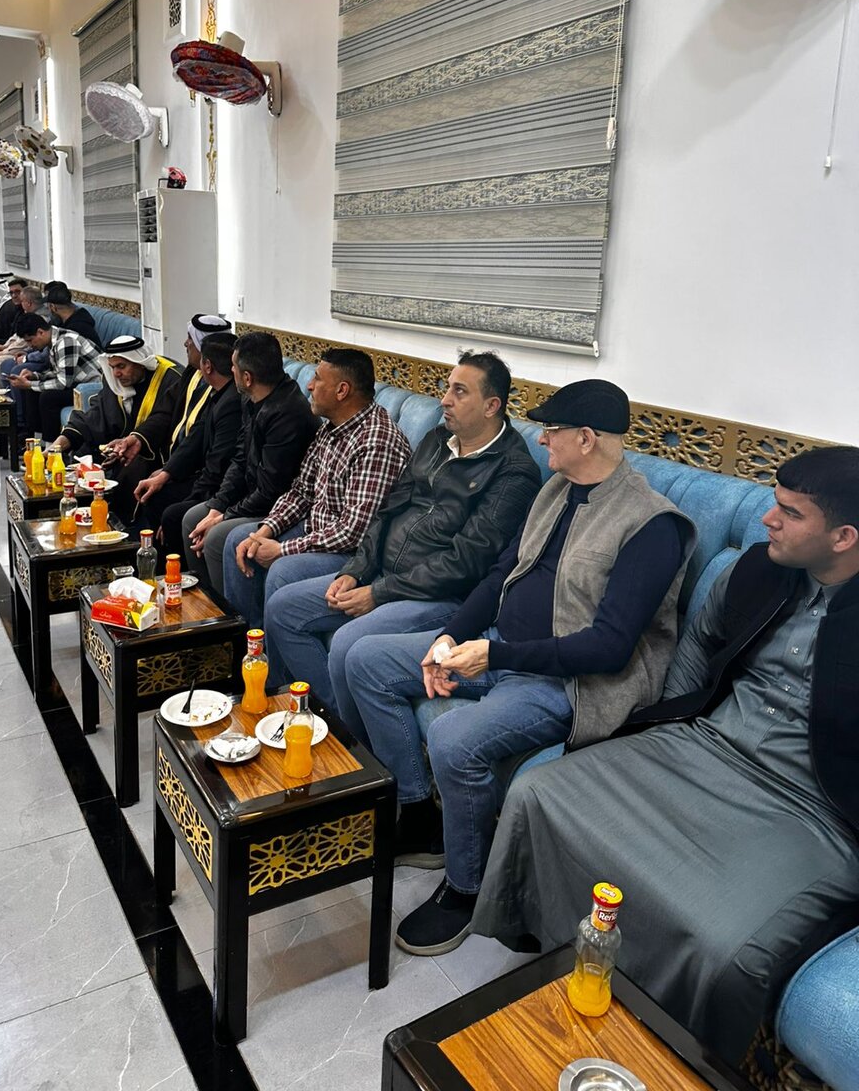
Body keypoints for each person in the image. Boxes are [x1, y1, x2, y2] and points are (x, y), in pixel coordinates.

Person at [472, 445, 859, 1071]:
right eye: (773, 504)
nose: (768, 520)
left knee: (726, 945)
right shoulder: (760, 570)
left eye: (790, 514)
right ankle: (550, 949)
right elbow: (701, 641)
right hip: (707, 744)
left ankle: (668, 1056)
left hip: (813, 803)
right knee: (540, 790)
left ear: (843, 537)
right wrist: (667, 723)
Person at [347, 380, 695, 955]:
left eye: (552, 430)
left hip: (569, 682)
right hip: (500, 646)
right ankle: (419, 814)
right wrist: (450, 637)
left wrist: (495, 655)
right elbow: (500, 575)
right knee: (367, 660)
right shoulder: (556, 489)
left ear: (586, 438)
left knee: (454, 738)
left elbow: (608, 648)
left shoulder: (652, 524)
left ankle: (467, 888)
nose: (541, 438)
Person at [263, 351, 543, 716]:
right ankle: (323, 715)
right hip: (383, 574)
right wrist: (356, 570)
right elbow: (388, 509)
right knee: (283, 609)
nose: (444, 400)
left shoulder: (513, 471)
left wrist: (378, 593)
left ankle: (345, 737)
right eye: (447, 388)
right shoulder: (437, 439)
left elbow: (467, 563)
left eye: (459, 392)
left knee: (347, 642)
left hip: (440, 596)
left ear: (492, 406)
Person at [223, 348, 412, 629]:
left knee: (282, 568)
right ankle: (248, 641)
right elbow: (302, 492)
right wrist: (264, 532)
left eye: (318, 378)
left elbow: (353, 532)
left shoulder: (377, 442)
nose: (309, 386)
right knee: (239, 540)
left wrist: (282, 549)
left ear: (342, 390)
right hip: (316, 530)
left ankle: (270, 653)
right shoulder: (331, 428)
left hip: (352, 553)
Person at [182, 331, 319, 597]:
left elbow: (271, 491)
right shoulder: (251, 398)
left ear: (247, 377)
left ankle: (228, 614)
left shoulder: (288, 413)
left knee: (217, 536)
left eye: (233, 366)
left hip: (275, 505)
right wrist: (218, 505)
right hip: (253, 495)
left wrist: (225, 517)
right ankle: (204, 604)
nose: (230, 370)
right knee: (193, 519)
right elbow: (240, 458)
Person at [48, 336, 182, 515]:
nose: (116, 374)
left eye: (121, 366)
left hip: (157, 450)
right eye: (112, 367)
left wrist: (133, 440)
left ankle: (121, 525)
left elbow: (164, 421)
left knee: (130, 471)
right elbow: (98, 414)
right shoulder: (115, 379)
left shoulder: (172, 379)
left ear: (140, 362)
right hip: (124, 446)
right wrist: (58, 445)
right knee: (84, 455)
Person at [134, 331, 243, 553]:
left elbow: (219, 465)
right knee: (154, 490)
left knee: (172, 514)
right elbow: (195, 437)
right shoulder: (218, 393)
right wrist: (166, 473)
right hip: (206, 475)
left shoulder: (232, 403)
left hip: (222, 485)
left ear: (207, 366)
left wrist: (190, 500)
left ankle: (174, 568)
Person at [8, 312, 103, 440]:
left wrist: (30, 384)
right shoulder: (55, 340)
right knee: (32, 391)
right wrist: (35, 376)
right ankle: (36, 439)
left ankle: (51, 445)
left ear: (40, 332)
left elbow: (63, 383)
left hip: (92, 389)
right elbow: (60, 372)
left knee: (48, 397)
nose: (30, 345)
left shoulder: (66, 342)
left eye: (30, 340)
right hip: (76, 383)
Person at [43, 282, 101, 347]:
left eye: (48, 306)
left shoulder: (75, 329)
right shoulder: (75, 316)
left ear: (52, 307)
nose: (47, 308)